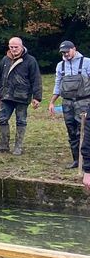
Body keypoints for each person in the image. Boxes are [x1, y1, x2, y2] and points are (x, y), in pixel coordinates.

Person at [0, 36, 43, 155]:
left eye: (16, 47)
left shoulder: (30, 60)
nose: (14, 49)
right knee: (1, 118)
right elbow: (0, 78)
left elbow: (36, 79)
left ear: (21, 46)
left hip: (22, 96)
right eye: (11, 47)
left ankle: (18, 147)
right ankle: (3, 145)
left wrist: (37, 97)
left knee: (21, 121)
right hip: (6, 96)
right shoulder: (5, 60)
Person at [51, 40, 90, 169]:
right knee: (71, 131)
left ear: (74, 49)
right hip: (67, 103)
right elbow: (57, 84)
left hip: (83, 102)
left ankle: (85, 161)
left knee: (83, 131)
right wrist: (52, 102)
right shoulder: (60, 66)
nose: (66, 54)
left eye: (67, 51)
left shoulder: (87, 62)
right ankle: (76, 160)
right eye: (63, 52)